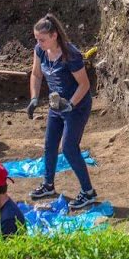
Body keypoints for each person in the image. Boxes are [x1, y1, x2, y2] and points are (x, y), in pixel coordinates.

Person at [25, 13, 98, 211]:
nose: (38, 43)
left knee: (69, 148)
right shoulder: (40, 51)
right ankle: (48, 184)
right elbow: (36, 74)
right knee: (49, 144)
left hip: (77, 106)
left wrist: (71, 105)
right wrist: (34, 98)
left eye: (42, 39)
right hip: (56, 105)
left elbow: (84, 85)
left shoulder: (70, 55)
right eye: (37, 39)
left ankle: (88, 192)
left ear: (54, 35)